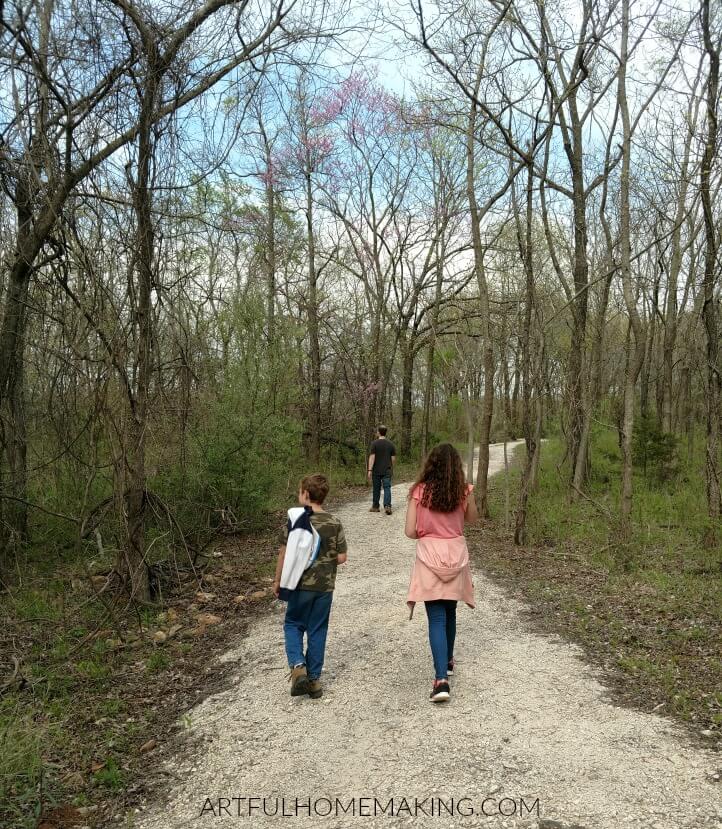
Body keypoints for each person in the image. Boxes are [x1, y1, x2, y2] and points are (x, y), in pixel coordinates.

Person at [404, 443, 478, 703]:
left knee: (436, 616)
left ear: (430, 464)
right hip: (456, 555)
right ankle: (446, 661)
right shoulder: (463, 491)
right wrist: (468, 496)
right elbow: (472, 520)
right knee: (450, 611)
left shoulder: (418, 492)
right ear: (456, 467)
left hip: (429, 557)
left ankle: (441, 681)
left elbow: (410, 531)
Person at [272, 474, 348, 699]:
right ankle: (313, 681)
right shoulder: (334, 522)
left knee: (293, 624)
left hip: (299, 585)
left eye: (299, 491)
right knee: (318, 629)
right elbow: (342, 557)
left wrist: (277, 580)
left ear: (305, 494)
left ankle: (298, 667)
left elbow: (284, 552)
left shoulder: (297, 519)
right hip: (325, 588)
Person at [367, 424, 397, 515]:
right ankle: (387, 506)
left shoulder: (374, 444)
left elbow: (372, 457)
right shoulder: (391, 444)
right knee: (387, 487)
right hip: (387, 470)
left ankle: (375, 506)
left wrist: (369, 470)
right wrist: (391, 467)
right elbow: (393, 459)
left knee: (376, 488)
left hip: (376, 470)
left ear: (378, 432)